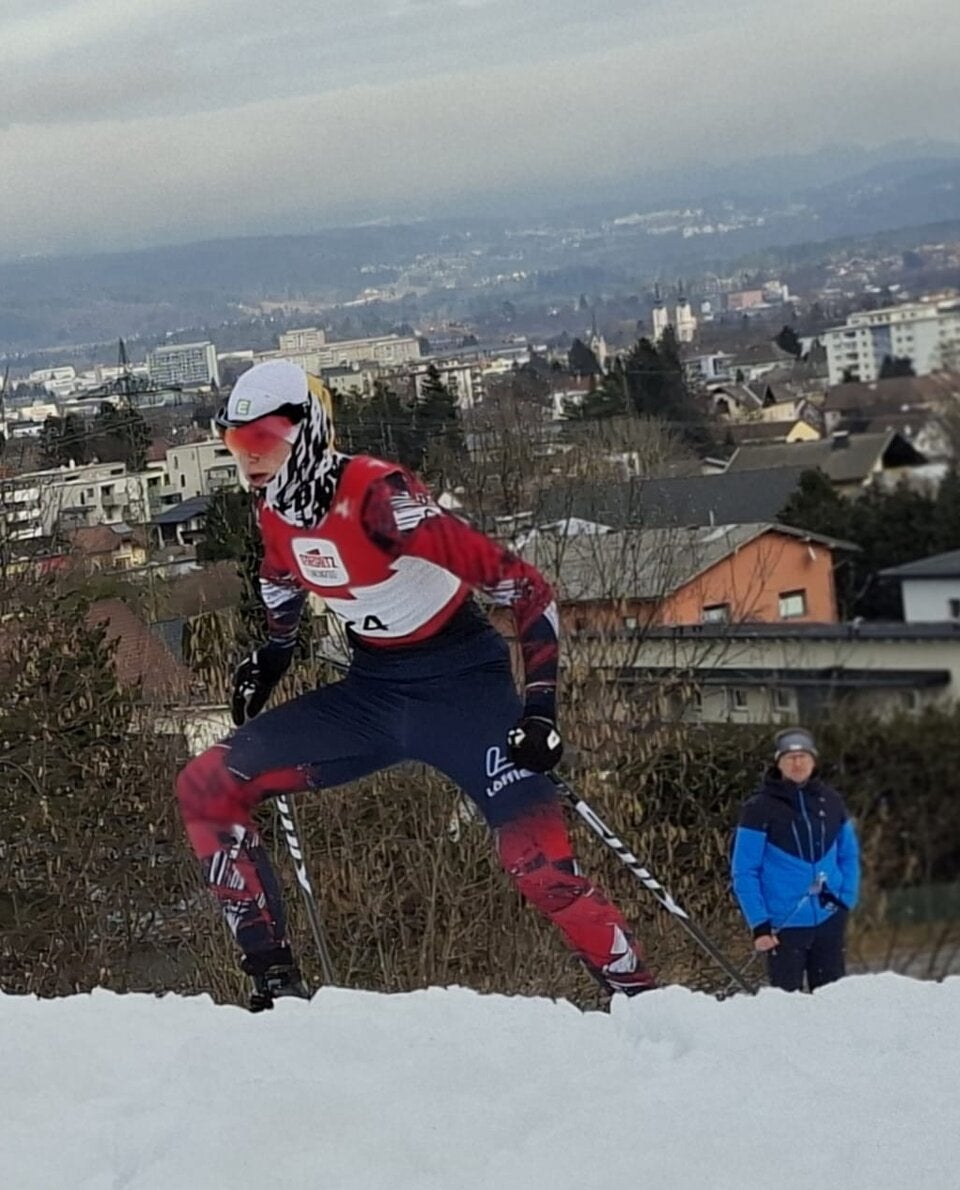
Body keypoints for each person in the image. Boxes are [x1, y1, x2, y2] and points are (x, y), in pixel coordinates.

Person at [175, 359, 656, 1010]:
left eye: (262, 440)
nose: (249, 459)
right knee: (206, 785)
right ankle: (273, 986)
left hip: (466, 691)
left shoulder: (382, 498)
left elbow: (528, 591)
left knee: (537, 867)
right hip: (374, 694)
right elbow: (279, 577)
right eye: (237, 443)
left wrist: (541, 709)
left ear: (309, 431)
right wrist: (276, 650)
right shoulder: (273, 512)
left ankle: (647, 1008)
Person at [731, 727, 860, 993]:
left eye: (803, 756)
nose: (798, 763)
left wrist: (845, 898)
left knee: (834, 1000)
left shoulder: (831, 801)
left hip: (829, 919)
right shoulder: (758, 808)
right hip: (783, 927)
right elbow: (744, 871)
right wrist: (760, 924)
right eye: (790, 758)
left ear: (814, 760)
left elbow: (848, 854)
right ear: (779, 763)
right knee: (787, 1006)